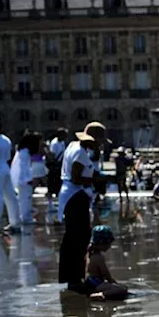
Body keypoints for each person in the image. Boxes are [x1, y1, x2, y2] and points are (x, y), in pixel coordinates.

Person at [59, 122, 106, 293]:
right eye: (99, 142)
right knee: (79, 238)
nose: (100, 145)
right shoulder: (80, 153)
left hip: (72, 196)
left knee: (74, 237)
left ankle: (73, 277)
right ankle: (75, 279)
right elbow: (76, 178)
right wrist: (96, 180)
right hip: (75, 197)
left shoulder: (74, 146)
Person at [83, 226, 128, 301]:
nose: (110, 246)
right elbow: (106, 275)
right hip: (94, 284)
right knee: (121, 290)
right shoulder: (98, 257)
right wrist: (115, 284)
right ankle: (101, 295)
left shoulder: (89, 254)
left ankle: (101, 293)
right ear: (102, 243)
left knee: (121, 288)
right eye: (109, 243)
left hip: (90, 284)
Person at [11, 132, 42, 226]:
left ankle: (26, 216)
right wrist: (28, 179)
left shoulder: (22, 152)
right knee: (26, 199)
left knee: (24, 199)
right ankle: (26, 218)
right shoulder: (25, 154)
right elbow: (23, 169)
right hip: (24, 181)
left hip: (22, 180)